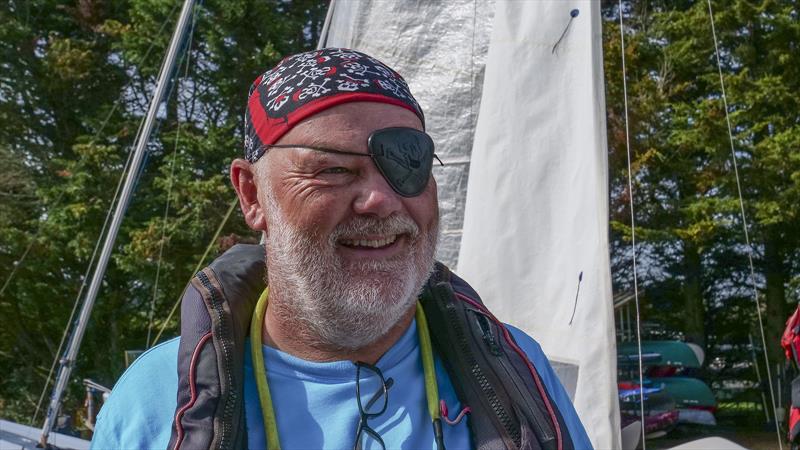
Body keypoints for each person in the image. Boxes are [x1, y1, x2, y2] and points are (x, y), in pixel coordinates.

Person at [92, 48, 593, 450]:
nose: (379, 199)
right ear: (252, 195)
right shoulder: (159, 401)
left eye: (406, 163)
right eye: (333, 169)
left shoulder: (513, 371)